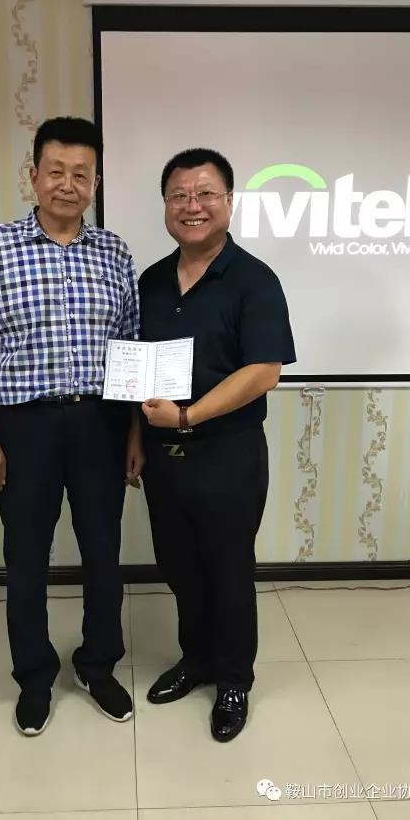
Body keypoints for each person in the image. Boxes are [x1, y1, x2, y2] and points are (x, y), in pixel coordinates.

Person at [0, 117, 143, 736]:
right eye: (55, 171)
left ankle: (97, 664)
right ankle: (34, 676)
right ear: (33, 175)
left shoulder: (115, 252)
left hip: (99, 424)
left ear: (96, 183)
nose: (68, 184)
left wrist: (134, 434)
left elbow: (130, 354)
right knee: (26, 557)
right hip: (23, 427)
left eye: (81, 174)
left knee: (103, 553)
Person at [138, 148, 296, 742]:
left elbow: (264, 371)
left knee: (228, 570)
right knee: (179, 564)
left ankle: (233, 680)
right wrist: (137, 437)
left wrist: (188, 416)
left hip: (229, 452)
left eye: (205, 194)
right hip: (162, 455)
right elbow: (138, 371)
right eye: (179, 195)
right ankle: (196, 658)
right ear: (166, 205)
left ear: (229, 202)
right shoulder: (151, 282)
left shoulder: (254, 280)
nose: (192, 206)